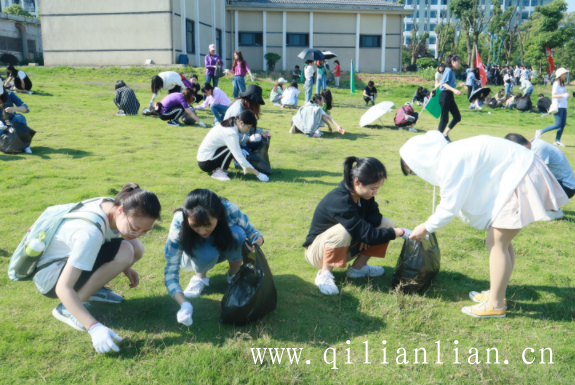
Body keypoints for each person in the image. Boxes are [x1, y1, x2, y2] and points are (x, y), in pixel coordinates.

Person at [400, 131, 569, 318]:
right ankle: (498, 294)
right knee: (500, 242)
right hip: (524, 171)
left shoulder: (451, 160)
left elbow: (449, 206)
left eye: (413, 167)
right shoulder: (453, 152)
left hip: (521, 176)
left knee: (496, 243)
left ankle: (495, 306)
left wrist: (425, 228)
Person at [35, 183, 161, 352]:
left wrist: (125, 267)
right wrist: (93, 327)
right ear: (121, 211)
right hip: (51, 277)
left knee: (135, 247)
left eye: (145, 231)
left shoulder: (111, 204)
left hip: (64, 262)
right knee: (125, 251)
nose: (138, 233)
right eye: (135, 227)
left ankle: (91, 289)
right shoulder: (90, 233)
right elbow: (62, 288)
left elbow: (113, 240)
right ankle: (67, 308)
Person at [303, 157, 406, 295]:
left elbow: (376, 216)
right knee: (343, 230)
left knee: (387, 224)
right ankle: (324, 274)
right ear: (357, 182)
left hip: (345, 248)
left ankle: (358, 268)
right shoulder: (340, 201)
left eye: (377, 188)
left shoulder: (365, 196)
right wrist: (401, 232)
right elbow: (366, 233)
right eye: (373, 188)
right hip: (317, 253)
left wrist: (365, 233)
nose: (375, 192)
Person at [164, 189, 264, 325]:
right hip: (191, 258)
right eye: (195, 226)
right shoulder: (180, 221)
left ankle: (234, 276)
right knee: (206, 252)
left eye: (207, 225)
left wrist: (257, 241)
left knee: (239, 234)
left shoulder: (228, 209)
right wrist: (184, 304)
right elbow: (170, 270)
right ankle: (200, 278)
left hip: (220, 247)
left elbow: (253, 233)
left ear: (218, 215)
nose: (202, 231)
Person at [197, 110, 269, 182]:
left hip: (209, 157)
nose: (248, 130)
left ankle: (222, 170)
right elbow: (239, 157)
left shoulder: (233, 122)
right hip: (206, 162)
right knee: (231, 148)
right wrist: (259, 174)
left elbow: (237, 137)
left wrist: (249, 139)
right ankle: (219, 172)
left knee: (232, 147)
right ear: (241, 123)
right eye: (248, 127)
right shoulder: (230, 132)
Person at [505, 133, 575, 202]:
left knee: (526, 184)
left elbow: (537, 173)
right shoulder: (534, 144)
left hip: (566, 187)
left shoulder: (538, 148)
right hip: (558, 183)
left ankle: (552, 210)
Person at [535, 68, 570, 147]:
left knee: (563, 124)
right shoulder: (556, 84)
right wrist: (563, 95)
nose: (565, 75)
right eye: (564, 74)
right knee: (558, 124)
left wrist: (566, 95)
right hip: (558, 106)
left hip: (564, 106)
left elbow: (562, 94)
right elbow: (553, 95)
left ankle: (557, 140)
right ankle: (540, 131)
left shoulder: (562, 84)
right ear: (560, 75)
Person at [437, 54, 462, 142]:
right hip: (445, 95)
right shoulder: (448, 70)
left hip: (449, 96)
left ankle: (445, 134)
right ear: (452, 62)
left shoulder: (450, 71)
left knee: (457, 117)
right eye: (458, 62)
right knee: (444, 119)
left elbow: (446, 82)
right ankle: (437, 139)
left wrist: (458, 85)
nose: (459, 64)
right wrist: (454, 90)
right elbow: (443, 83)